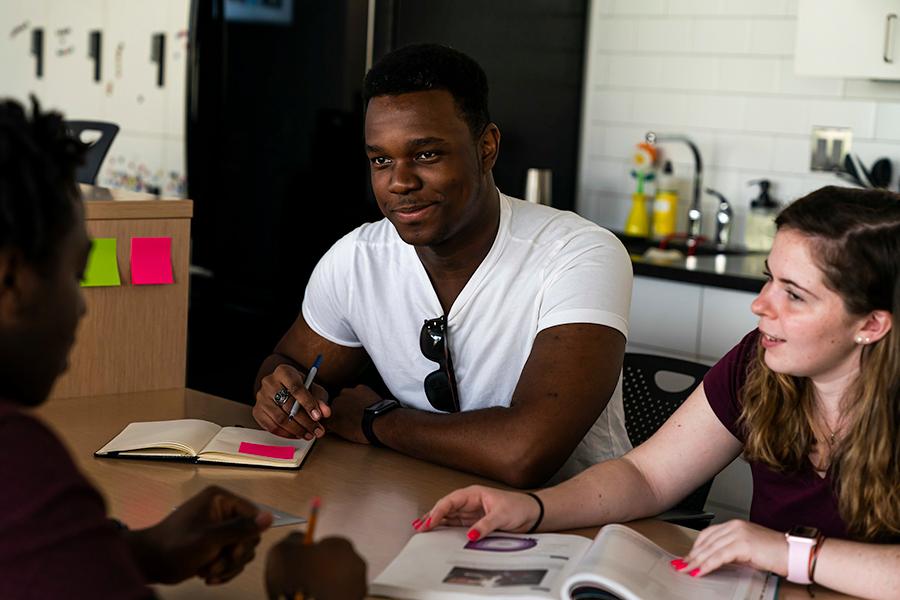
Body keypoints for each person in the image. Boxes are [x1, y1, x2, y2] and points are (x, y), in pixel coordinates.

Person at [416, 186, 900, 599]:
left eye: (794, 295)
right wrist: (535, 509)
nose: (760, 304)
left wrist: (786, 552)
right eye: (768, 278)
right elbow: (647, 477)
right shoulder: (759, 363)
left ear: (872, 324)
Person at [0, 97, 366, 599]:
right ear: (10, 278)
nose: (82, 307)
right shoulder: (18, 463)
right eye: (76, 273)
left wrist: (137, 554)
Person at [252, 43, 633, 488]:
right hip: (429, 499)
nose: (400, 182)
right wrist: (281, 393)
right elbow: (287, 364)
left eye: (427, 154)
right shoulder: (357, 260)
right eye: (381, 160)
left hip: (579, 524)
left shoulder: (579, 254)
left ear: (486, 147)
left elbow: (524, 452)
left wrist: (376, 421)